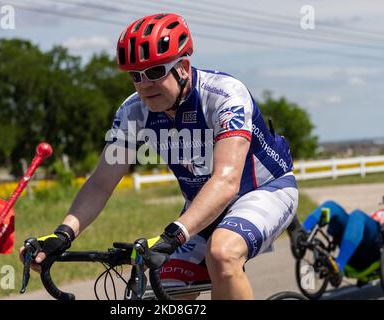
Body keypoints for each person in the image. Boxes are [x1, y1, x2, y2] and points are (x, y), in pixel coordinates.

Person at [19, 13, 298, 300]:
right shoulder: (133, 111)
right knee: (151, 291)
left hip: (263, 191)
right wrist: (63, 234)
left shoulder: (224, 95)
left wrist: (172, 237)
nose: (144, 84)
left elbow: (227, 181)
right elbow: (102, 182)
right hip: (202, 209)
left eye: (154, 72)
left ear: (183, 68)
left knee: (222, 254)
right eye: (135, 76)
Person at [300, 200, 384, 282]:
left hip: (374, 248)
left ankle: (338, 266)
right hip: (353, 241)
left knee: (357, 215)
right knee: (331, 206)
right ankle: (301, 234)